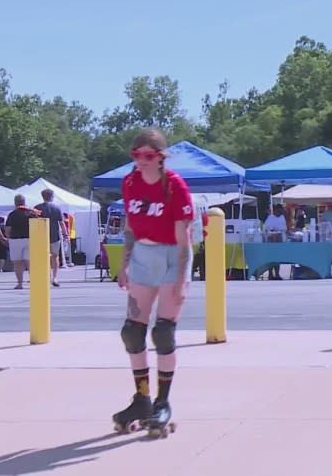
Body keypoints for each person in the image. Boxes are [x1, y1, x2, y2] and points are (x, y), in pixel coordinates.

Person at [112, 128, 194, 436]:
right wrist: (124, 264)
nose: (141, 162)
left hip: (172, 255)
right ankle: (142, 398)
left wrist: (182, 279)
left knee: (163, 333)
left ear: (160, 158)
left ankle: (163, 402)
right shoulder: (130, 183)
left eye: (148, 156)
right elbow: (132, 226)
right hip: (143, 256)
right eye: (136, 156)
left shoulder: (174, 187)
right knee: (132, 332)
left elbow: (183, 236)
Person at [5, 194, 40, 290]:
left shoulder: (12, 214)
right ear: (24, 202)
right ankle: (34, 282)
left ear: (15, 202)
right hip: (30, 239)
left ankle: (20, 283)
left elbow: (8, 229)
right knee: (30, 262)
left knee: (17, 263)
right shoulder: (32, 213)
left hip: (15, 240)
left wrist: (8, 238)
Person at [35, 189, 69, 287]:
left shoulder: (37, 208)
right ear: (52, 196)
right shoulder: (56, 208)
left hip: (41, 236)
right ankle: (54, 277)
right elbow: (61, 223)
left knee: (43, 257)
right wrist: (65, 234)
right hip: (54, 236)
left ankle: (46, 276)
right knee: (55, 256)